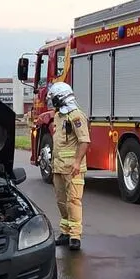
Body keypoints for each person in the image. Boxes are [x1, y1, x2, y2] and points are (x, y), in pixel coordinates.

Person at [47, 82, 90, 251]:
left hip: (73, 169)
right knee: (61, 201)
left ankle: (75, 236)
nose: (52, 101)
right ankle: (65, 232)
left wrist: (77, 162)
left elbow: (84, 141)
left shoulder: (76, 115)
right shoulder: (58, 116)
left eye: (54, 98)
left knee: (73, 201)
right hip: (58, 167)